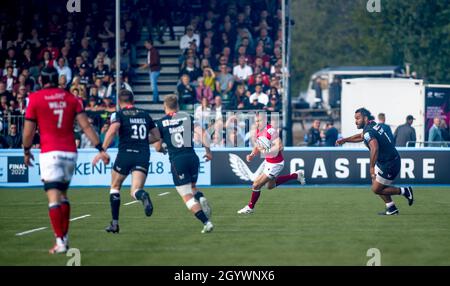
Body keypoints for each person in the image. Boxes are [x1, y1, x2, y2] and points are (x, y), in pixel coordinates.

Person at [23, 67, 110, 254]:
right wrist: (100, 149)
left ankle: (60, 241)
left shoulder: (36, 99)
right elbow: (85, 125)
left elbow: (29, 130)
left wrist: (26, 150)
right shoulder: (71, 98)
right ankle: (65, 236)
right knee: (63, 195)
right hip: (71, 153)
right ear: (57, 80)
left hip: (50, 153)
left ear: (41, 80)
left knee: (53, 198)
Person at [93, 90, 162, 234]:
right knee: (135, 190)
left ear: (119, 102)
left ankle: (115, 223)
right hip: (142, 155)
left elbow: (112, 131)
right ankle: (142, 195)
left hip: (125, 153)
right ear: (133, 100)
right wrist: (142, 141)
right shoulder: (144, 114)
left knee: (115, 186)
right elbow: (156, 136)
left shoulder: (118, 114)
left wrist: (102, 150)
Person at [153, 94, 214, 233]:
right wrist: (208, 151)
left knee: (186, 195)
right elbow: (203, 134)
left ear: (165, 107)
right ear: (178, 106)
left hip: (177, 160)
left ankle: (206, 222)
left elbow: (157, 147)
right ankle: (201, 197)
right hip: (192, 157)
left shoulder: (161, 123)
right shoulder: (187, 117)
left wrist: (162, 149)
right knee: (192, 186)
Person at [336, 108, 414, 215]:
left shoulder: (369, 130)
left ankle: (405, 191)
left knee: (376, 189)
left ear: (365, 118)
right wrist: (345, 140)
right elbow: (361, 136)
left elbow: (375, 148)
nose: (356, 121)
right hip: (386, 161)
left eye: (358, 118)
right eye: (355, 119)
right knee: (377, 184)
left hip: (390, 163)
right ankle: (391, 208)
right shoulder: (371, 124)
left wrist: (371, 167)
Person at [237, 112, 306, 214]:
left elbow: (280, 146)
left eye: (259, 121)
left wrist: (267, 151)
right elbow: (257, 145)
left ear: (265, 120)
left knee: (256, 185)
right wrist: (252, 154)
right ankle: (296, 175)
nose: (257, 123)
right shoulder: (257, 131)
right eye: (256, 121)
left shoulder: (271, 130)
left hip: (276, 163)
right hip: (269, 162)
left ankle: (250, 207)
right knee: (270, 186)